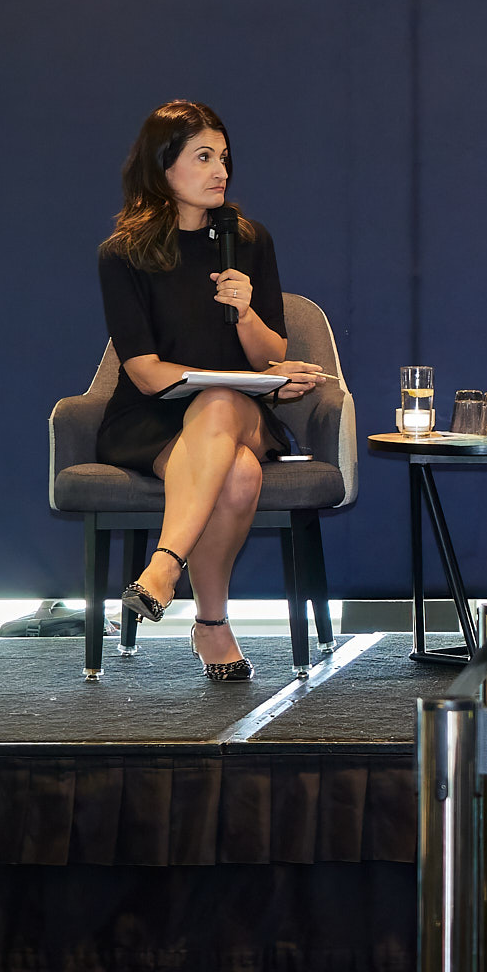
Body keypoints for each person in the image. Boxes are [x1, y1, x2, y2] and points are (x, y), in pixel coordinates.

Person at [96, 101, 327, 682]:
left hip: (241, 410)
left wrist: (245, 312)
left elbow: (269, 357)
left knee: (221, 403)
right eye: (203, 157)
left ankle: (164, 566)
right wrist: (220, 383)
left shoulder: (248, 241)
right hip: (152, 415)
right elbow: (145, 372)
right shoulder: (123, 255)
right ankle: (211, 624)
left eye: (223, 157)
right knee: (240, 475)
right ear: (163, 166)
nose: (220, 171)